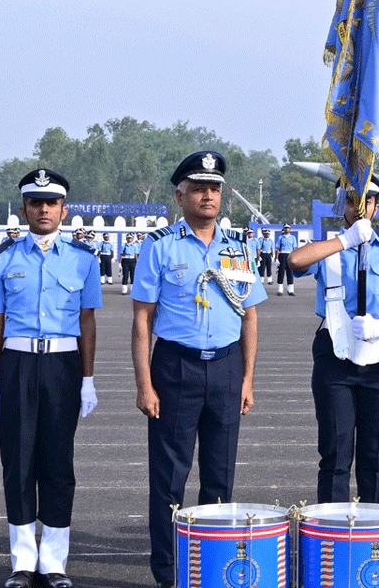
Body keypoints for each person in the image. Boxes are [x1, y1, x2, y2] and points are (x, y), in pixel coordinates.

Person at [130, 151, 267, 588]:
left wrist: (246, 379)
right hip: (175, 369)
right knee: (169, 479)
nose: (208, 195)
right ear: (180, 194)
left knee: (220, 476)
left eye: (215, 188)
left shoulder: (239, 248)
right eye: (199, 188)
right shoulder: (160, 246)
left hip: (225, 370)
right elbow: (142, 320)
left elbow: (249, 316)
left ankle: (211, 567)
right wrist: (145, 384)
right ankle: (169, 573)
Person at [0, 169, 101, 588]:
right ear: (24, 209)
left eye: (51, 203)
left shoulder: (83, 260)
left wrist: (87, 378)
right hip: (16, 365)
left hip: (63, 368)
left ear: (63, 210)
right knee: (17, 463)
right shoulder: (3, 258)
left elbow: (87, 321)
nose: (44, 209)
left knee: (57, 462)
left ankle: (53, 561)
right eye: (36, 203)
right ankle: (22, 561)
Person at [287, 178, 379, 505]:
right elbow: (295, 261)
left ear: (377, 206)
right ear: (341, 205)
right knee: (335, 454)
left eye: (367, 200)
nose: (359, 206)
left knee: (376, 459)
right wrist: (345, 241)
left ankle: (375, 537)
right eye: (351, 200)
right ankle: (333, 536)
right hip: (336, 359)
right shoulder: (329, 250)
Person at [275, 224, 299, 295]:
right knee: (281, 272)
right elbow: (278, 249)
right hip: (282, 255)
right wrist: (276, 258)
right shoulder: (281, 237)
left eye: (288, 228)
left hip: (290, 255)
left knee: (290, 273)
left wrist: (295, 257)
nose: (287, 229)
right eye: (285, 228)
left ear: (290, 229)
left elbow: (294, 248)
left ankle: (290, 290)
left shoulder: (293, 238)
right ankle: (280, 290)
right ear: (284, 229)